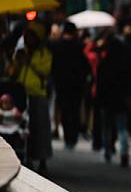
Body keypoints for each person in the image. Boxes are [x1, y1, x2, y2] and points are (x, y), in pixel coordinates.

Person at [9, 22, 52, 174]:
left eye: (31, 37)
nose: (28, 40)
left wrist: (29, 63)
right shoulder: (21, 51)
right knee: (23, 128)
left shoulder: (44, 54)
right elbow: (12, 72)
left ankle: (42, 159)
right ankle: (25, 156)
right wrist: (17, 62)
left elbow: (45, 72)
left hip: (38, 94)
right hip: (21, 93)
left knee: (40, 128)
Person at [95, 32, 131, 167]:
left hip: (107, 99)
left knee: (107, 126)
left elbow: (100, 83)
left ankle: (107, 151)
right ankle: (124, 153)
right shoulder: (128, 63)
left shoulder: (105, 63)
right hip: (122, 99)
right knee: (122, 127)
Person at [49, 22, 91, 149]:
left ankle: (68, 137)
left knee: (65, 110)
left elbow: (53, 66)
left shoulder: (56, 46)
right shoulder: (79, 46)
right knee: (75, 110)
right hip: (76, 84)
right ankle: (73, 137)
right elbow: (86, 67)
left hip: (61, 84)